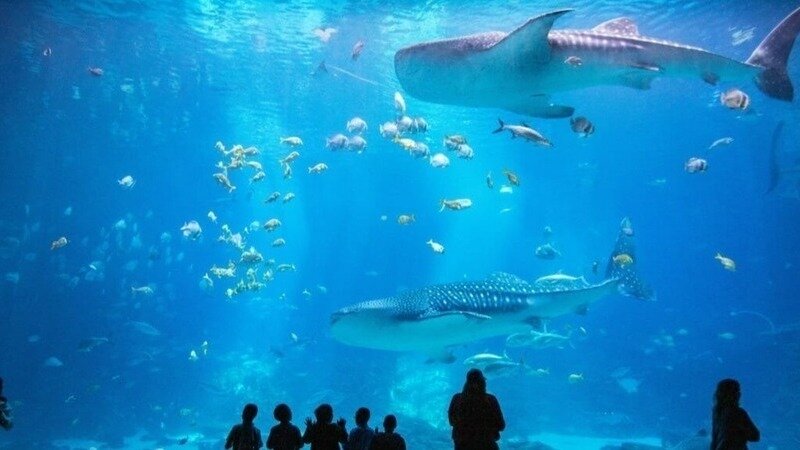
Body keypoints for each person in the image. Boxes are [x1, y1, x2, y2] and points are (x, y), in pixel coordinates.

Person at [448, 369, 505, 450]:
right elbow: (501, 425)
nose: (485, 383)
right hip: (487, 445)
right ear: (481, 383)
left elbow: (451, 422)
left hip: (462, 446)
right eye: (483, 380)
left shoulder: (456, 399)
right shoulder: (490, 400)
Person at [711, 379, 760, 450]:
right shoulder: (738, 413)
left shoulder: (717, 412)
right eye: (737, 391)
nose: (739, 394)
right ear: (734, 394)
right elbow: (755, 436)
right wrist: (739, 431)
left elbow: (714, 439)